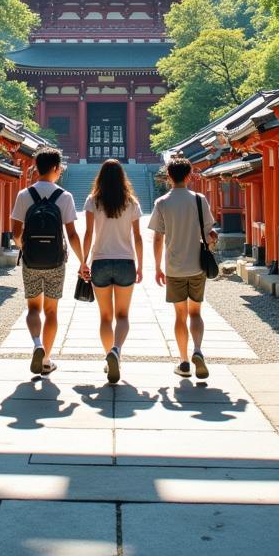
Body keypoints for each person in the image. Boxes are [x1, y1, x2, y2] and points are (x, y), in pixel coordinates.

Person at [10, 146, 87, 376]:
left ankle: (37, 344)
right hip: (55, 261)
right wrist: (83, 261)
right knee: (51, 311)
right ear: (55, 168)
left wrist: (26, 249)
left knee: (33, 308)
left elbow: (15, 233)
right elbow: (72, 234)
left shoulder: (24, 195)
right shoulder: (64, 197)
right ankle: (46, 360)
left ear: (36, 168)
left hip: (31, 260)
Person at [148, 155, 218, 379]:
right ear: (189, 176)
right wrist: (211, 240)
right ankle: (198, 349)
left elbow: (158, 238)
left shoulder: (162, 203)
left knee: (180, 315)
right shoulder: (200, 200)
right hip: (197, 264)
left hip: (174, 266)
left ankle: (184, 361)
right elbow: (210, 235)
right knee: (195, 312)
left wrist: (157, 267)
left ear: (168, 177)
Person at [81, 159, 143, 385]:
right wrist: (141, 265)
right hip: (126, 261)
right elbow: (137, 236)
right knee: (123, 316)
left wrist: (83, 262)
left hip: (100, 261)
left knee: (105, 317)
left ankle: (110, 356)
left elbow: (88, 233)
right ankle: (116, 350)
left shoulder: (92, 201)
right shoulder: (131, 202)